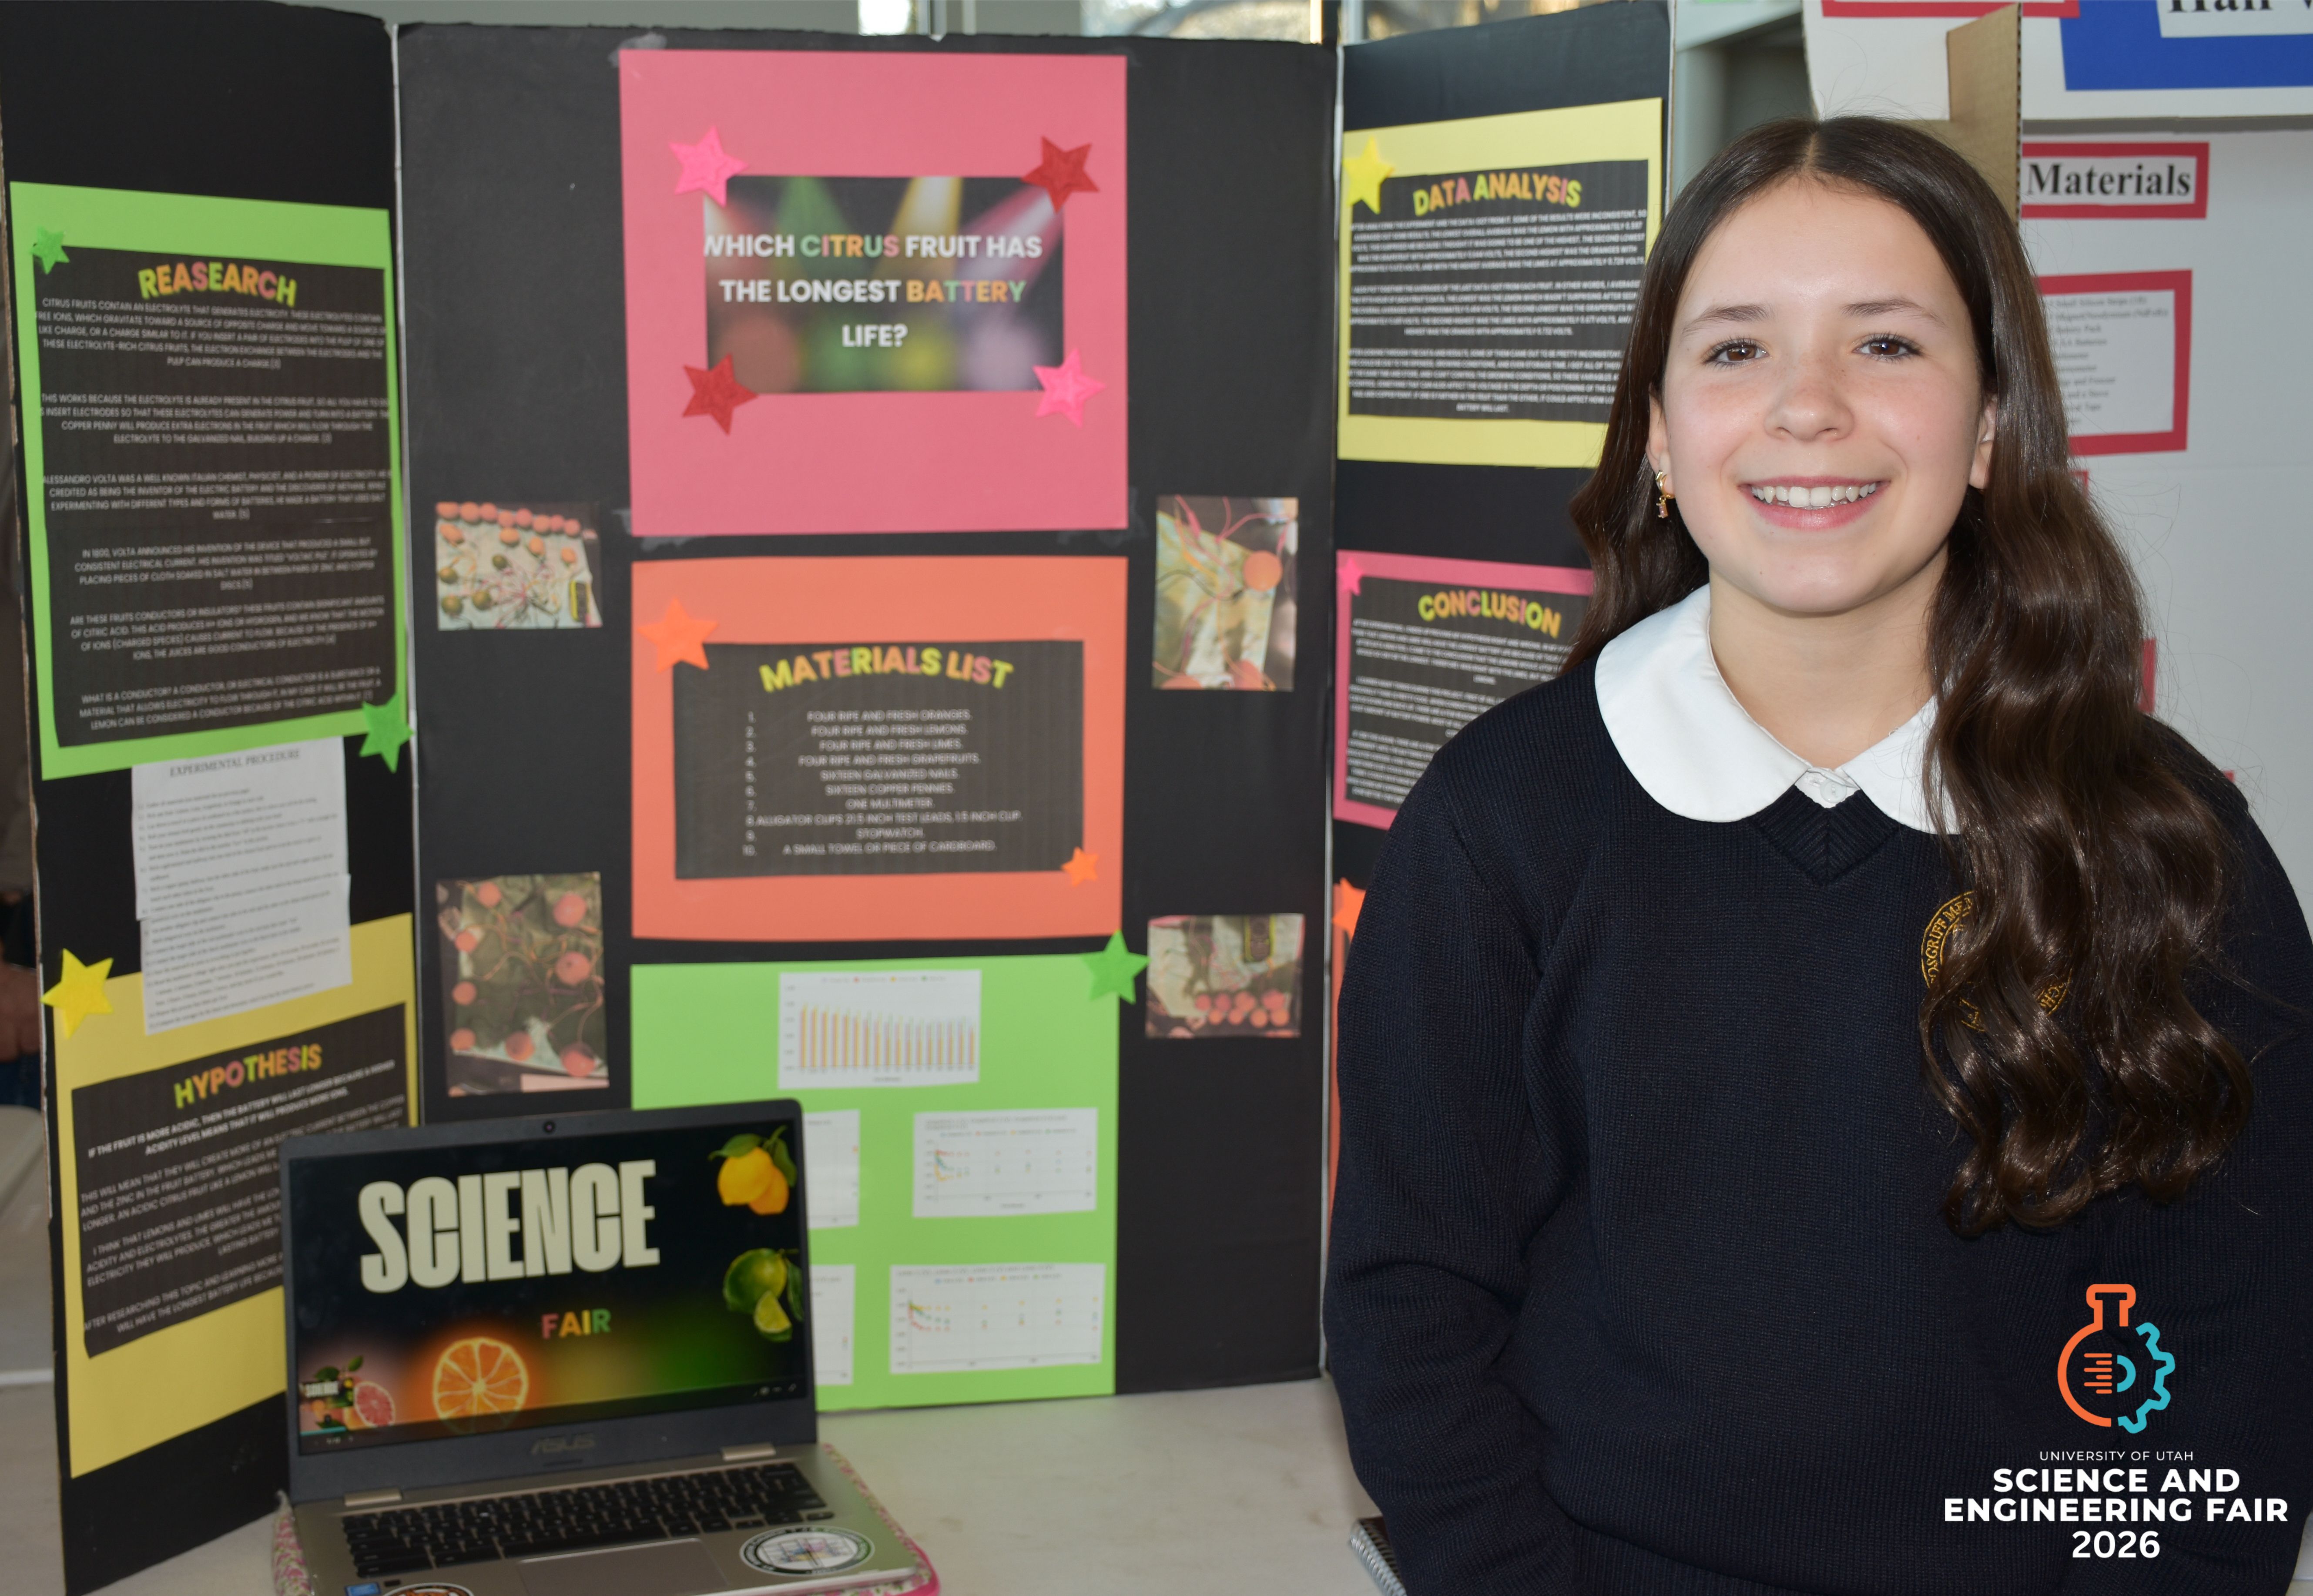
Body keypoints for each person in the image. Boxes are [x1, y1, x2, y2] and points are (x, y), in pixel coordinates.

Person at [1325, 117, 2313, 1593]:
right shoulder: (1499, 826)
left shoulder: (2164, 840)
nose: (1807, 407)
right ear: (1657, 436)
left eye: (1885, 344)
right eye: (1736, 349)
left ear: (1990, 426)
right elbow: (1414, 1309)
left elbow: (2240, 1335)